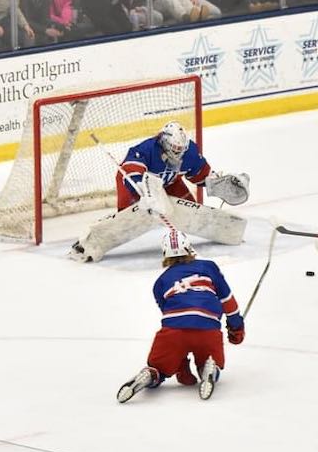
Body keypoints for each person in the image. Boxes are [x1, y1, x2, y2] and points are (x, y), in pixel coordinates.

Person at [69, 120, 249, 263]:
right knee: (131, 217)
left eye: (181, 149)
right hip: (137, 184)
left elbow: (200, 175)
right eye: (175, 149)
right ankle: (88, 244)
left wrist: (216, 182)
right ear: (164, 142)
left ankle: (225, 230)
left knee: (191, 210)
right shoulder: (146, 150)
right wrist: (143, 192)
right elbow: (131, 172)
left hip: (169, 182)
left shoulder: (190, 152)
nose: (178, 153)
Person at [117, 229, 244, 403]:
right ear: (188, 248)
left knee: (159, 367)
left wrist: (180, 366)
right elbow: (227, 300)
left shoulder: (160, 283)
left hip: (173, 332)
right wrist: (237, 327)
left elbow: (175, 320)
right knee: (208, 360)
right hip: (208, 329)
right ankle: (208, 370)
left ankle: (150, 374)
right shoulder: (208, 267)